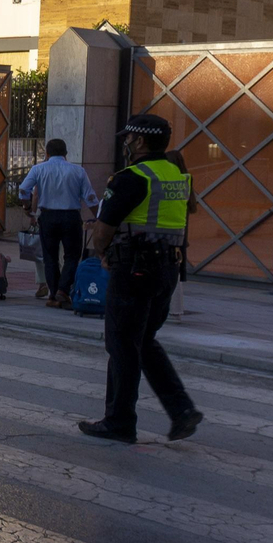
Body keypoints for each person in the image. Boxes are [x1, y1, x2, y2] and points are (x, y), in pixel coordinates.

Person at [80, 114, 202, 444]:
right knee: (143, 341)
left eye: (129, 137)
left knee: (121, 344)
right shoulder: (176, 175)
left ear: (141, 141)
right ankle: (181, 411)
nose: (126, 142)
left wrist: (102, 255)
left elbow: (103, 229)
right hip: (167, 269)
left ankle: (119, 422)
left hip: (133, 268)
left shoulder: (131, 177)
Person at [19, 138, 99, 309]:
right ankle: (62, 290)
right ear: (66, 154)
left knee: (50, 257)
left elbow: (24, 189)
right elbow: (90, 197)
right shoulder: (78, 171)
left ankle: (54, 294)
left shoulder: (38, 169)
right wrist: (99, 217)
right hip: (71, 217)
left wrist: (27, 207)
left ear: (46, 153)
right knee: (71, 255)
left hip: (48, 217)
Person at [164, 148, 196, 319]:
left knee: (170, 273)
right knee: (174, 272)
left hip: (168, 233)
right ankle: (176, 310)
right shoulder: (186, 180)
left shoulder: (170, 182)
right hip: (180, 233)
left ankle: (174, 310)